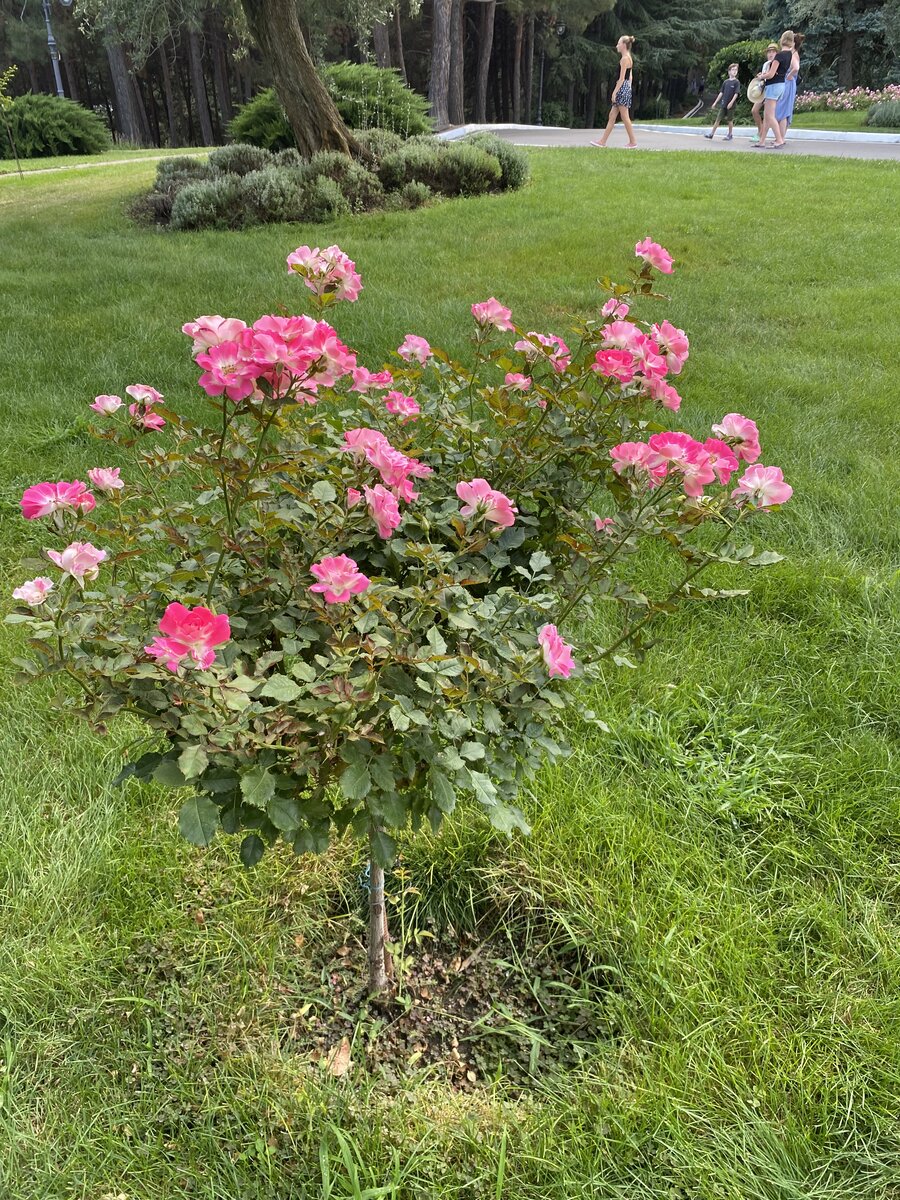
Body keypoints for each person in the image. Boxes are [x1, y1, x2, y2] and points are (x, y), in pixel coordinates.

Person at [591, 36, 638, 149]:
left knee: (625, 116)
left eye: (618, 43)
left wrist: (614, 92)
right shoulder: (628, 57)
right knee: (612, 115)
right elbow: (630, 76)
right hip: (625, 87)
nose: (617, 46)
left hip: (621, 88)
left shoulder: (624, 59)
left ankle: (633, 142)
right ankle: (602, 141)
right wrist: (628, 87)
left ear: (624, 45)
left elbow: (621, 78)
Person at [755, 30, 794, 149]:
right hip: (781, 85)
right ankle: (762, 140)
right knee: (767, 116)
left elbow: (771, 74)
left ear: (782, 40)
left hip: (773, 86)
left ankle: (779, 139)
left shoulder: (780, 55)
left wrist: (762, 76)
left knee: (770, 115)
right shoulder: (789, 55)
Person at [777, 31, 803, 141]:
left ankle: (781, 137)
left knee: (783, 111)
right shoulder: (793, 53)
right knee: (783, 109)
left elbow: (796, 67)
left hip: (788, 82)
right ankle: (780, 136)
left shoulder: (792, 54)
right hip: (788, 82)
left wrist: (789, 75)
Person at [704, 63, 740, 140]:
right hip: (723, 104)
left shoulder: (736, 82)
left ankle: (730, 134)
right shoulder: (725, 82)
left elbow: (736, 94)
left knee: (729, 120)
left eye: (736, 70)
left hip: (731, 105)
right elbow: (721, 93)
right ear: (729, 71)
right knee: (718, 119)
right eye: (733, 70)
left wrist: (731, 102)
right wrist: (715, 102)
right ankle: (711, 134)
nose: (734, 71)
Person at [751, 45, 779, 143]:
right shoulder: (766, 64)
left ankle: (765, 136)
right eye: (769, 52)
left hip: (771, 91)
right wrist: (761, 76)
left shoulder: (776, 63)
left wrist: (763, 76)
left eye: (773, 52)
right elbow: (764, 77)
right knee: (754, 110)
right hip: (763, 90)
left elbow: (772, 76)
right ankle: (760, 131)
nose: (771, 54)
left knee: (768, 115)